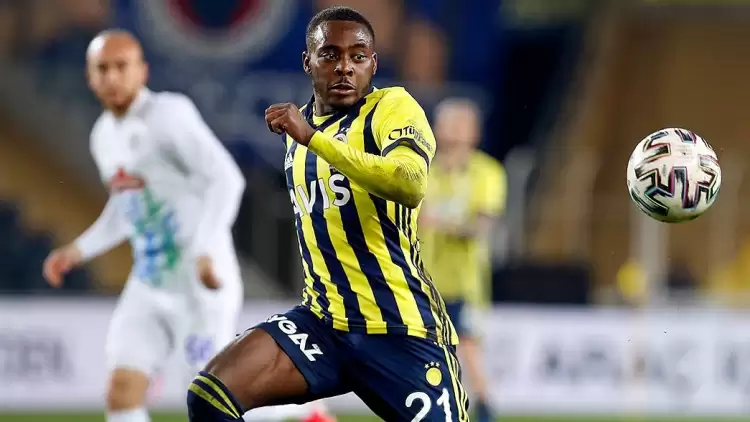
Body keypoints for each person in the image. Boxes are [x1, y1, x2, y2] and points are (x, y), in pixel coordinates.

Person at [186, 6, 469, 422]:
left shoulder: (391, 108)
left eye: (358, 56)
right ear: (308, 62)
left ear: (373, 64)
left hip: (400, 330)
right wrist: (309, 136)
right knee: (210, 396)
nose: (344, 67)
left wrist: (314, 139)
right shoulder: (297, 133)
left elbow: (410, 184)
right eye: (330, 54)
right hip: (321, 324)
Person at [41, 30, 247, 422]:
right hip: (149, 285)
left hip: (200, 288)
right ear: (90, 77)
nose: (112, 77)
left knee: (212, 400)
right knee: (121, 393)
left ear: (142, 71)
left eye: (122, 67)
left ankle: (301, 411)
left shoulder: (168, 115)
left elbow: (226, 179)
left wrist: (205, 250)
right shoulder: (103, 136)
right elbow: (127, 208)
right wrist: (78, 250)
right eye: (103, 69)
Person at [419, 98, 507, 422]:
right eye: (449, 123)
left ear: (475, 132)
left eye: (462, 124)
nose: (455, 131)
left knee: (466, 344)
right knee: (428, 349)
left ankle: (483, 409)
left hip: (466, 281)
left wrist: (438, 223)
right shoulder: (423, 170)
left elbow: (482, 225)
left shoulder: (487, 172)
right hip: (422, 280)